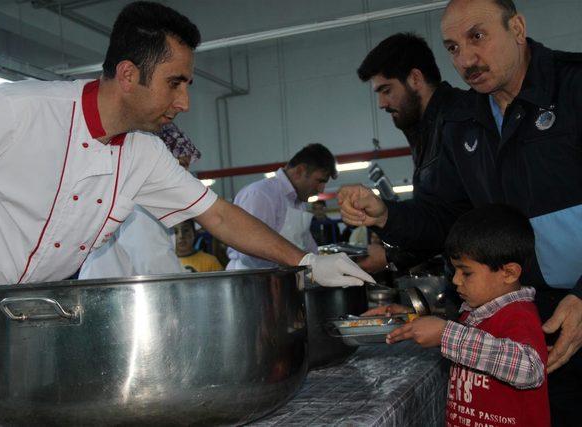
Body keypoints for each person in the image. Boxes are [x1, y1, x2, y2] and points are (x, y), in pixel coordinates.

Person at [0, 2, 373, 425]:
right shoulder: (19, 111)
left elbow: (218, 216)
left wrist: (307, 261)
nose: (184, 101)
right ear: (128, 75)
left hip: (27, 325)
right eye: (176, 83)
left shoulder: (143, 154)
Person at [339, 1, 582, 424]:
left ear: (518, 28)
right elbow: (446, 220)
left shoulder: (574, 87)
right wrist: (385, 215)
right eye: (452, 47)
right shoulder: (464, 123)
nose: (466, 59)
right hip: (521, 322)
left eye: (478, 37)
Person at [387, 205, 549, 427]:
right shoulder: (475, 311)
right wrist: (412, 318)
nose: (455, 280)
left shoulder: (518, 314)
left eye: (466, 272)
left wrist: (446, 335)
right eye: (454, 270)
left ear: (509, 273)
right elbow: (461, 338)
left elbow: (529, 369)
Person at [354, 32, 470, 273]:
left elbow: (450, 221)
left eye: (386, 90)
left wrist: (389, 245)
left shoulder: (459, 122)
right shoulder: (426, 131)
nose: (381, 104)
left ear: (415, 78)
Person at [79, 122, 200, 278]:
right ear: (162, 161)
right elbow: (153, 262)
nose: (185, 175)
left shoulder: (132, 187)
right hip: (114, 293)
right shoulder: (144, 200)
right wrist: (181, 290)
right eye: (182, 165)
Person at [226, 144, 337, 270]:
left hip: (281, 279)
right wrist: (296, 261)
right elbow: (249, 253)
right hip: (250, 281)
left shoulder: (299, 203)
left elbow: (306, 245)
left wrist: (324, 265)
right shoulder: (260, 194)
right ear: (299, 171)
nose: (321, 189)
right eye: (320, 181)